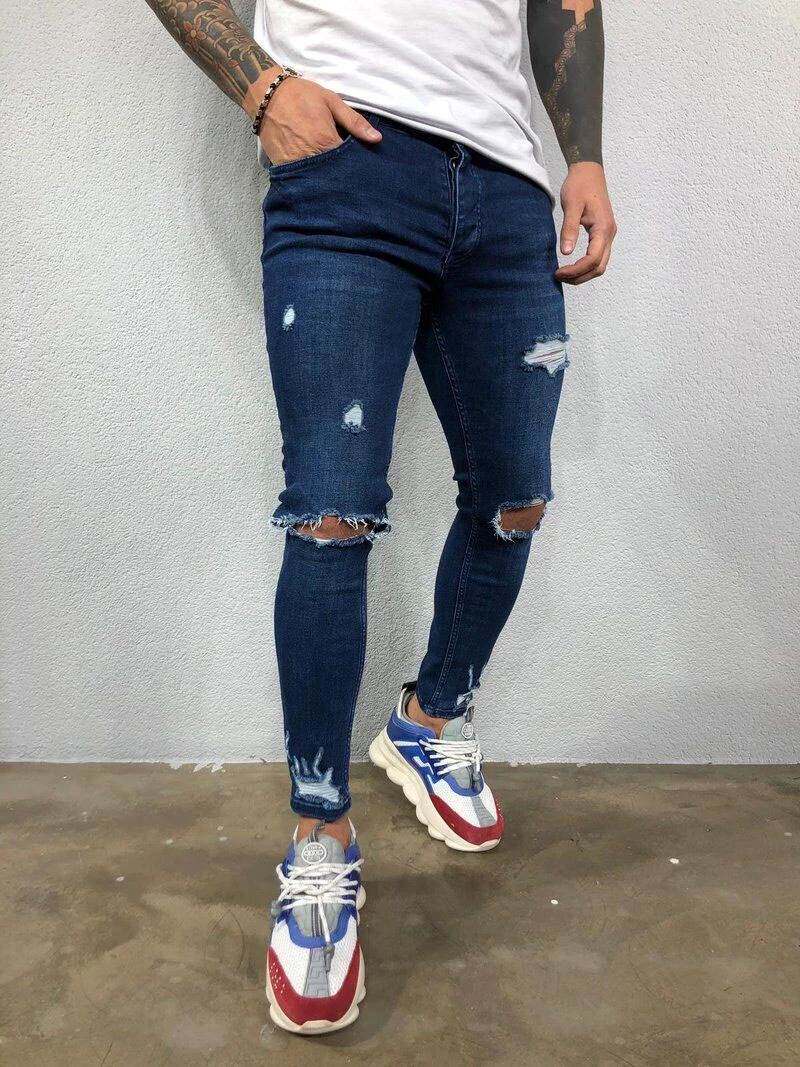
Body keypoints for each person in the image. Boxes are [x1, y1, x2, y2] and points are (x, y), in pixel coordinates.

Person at [145, 0, 616, 1034]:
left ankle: (429, 719)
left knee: (515, 500)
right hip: (348, 170)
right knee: (331, 513)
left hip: (507, 185)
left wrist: (581, 155)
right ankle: (320, 839)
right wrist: (263, 86)